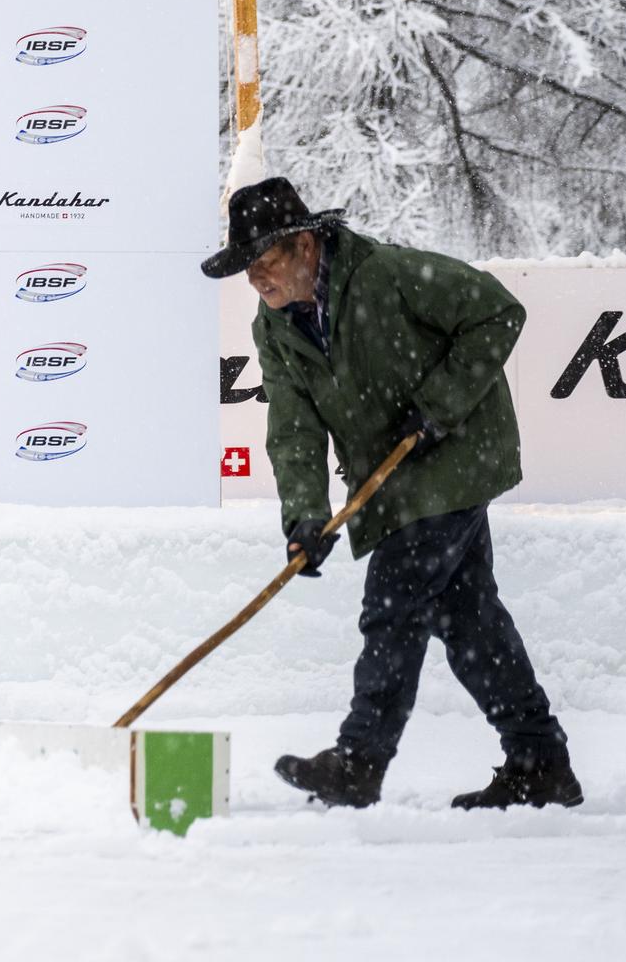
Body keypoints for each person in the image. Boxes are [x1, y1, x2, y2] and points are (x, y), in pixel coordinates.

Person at [202, 177, 582, 810]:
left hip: (454, 458)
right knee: (469, 622)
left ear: (304, 246)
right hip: (391, 478)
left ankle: (360, 760)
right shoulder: (275, 331)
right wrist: (304, 518)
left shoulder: (390, 274)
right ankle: (539, 759)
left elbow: (498, 312)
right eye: (247, 271)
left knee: (394, 603)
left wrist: (440, 406)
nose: (257, 281)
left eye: (264, 263)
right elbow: (293, 431)